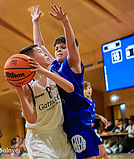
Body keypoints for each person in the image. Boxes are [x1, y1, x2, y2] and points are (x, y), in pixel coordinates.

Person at [32, 4, 100, 159]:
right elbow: (40, 47)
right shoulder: (54, 65)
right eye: (56, 47)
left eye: (63, 47)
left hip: (79, 118)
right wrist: (35, 23)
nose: (58, 49)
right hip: (63, 120)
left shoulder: (74, 64)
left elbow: (71, 44)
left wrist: (65, 21)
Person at [6, 44, 76, 159]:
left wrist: (44, 71)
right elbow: (31, 119)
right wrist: (19, 91)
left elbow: (70, 88)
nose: (45, 54)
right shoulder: (28, 86)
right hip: (39, 138)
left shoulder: (52, 74)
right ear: (31, 61)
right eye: (40, 52)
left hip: (60, 134)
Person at [83, 81, 109, 159]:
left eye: (89, 88)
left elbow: (92, 114)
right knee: (102, 152)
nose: (88, 90)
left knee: (104, 152)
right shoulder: (83, 101)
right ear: (82, 91)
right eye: (86, 89)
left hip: (93, 130)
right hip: (88, 130)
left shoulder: (92, 101)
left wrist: (100, 116)